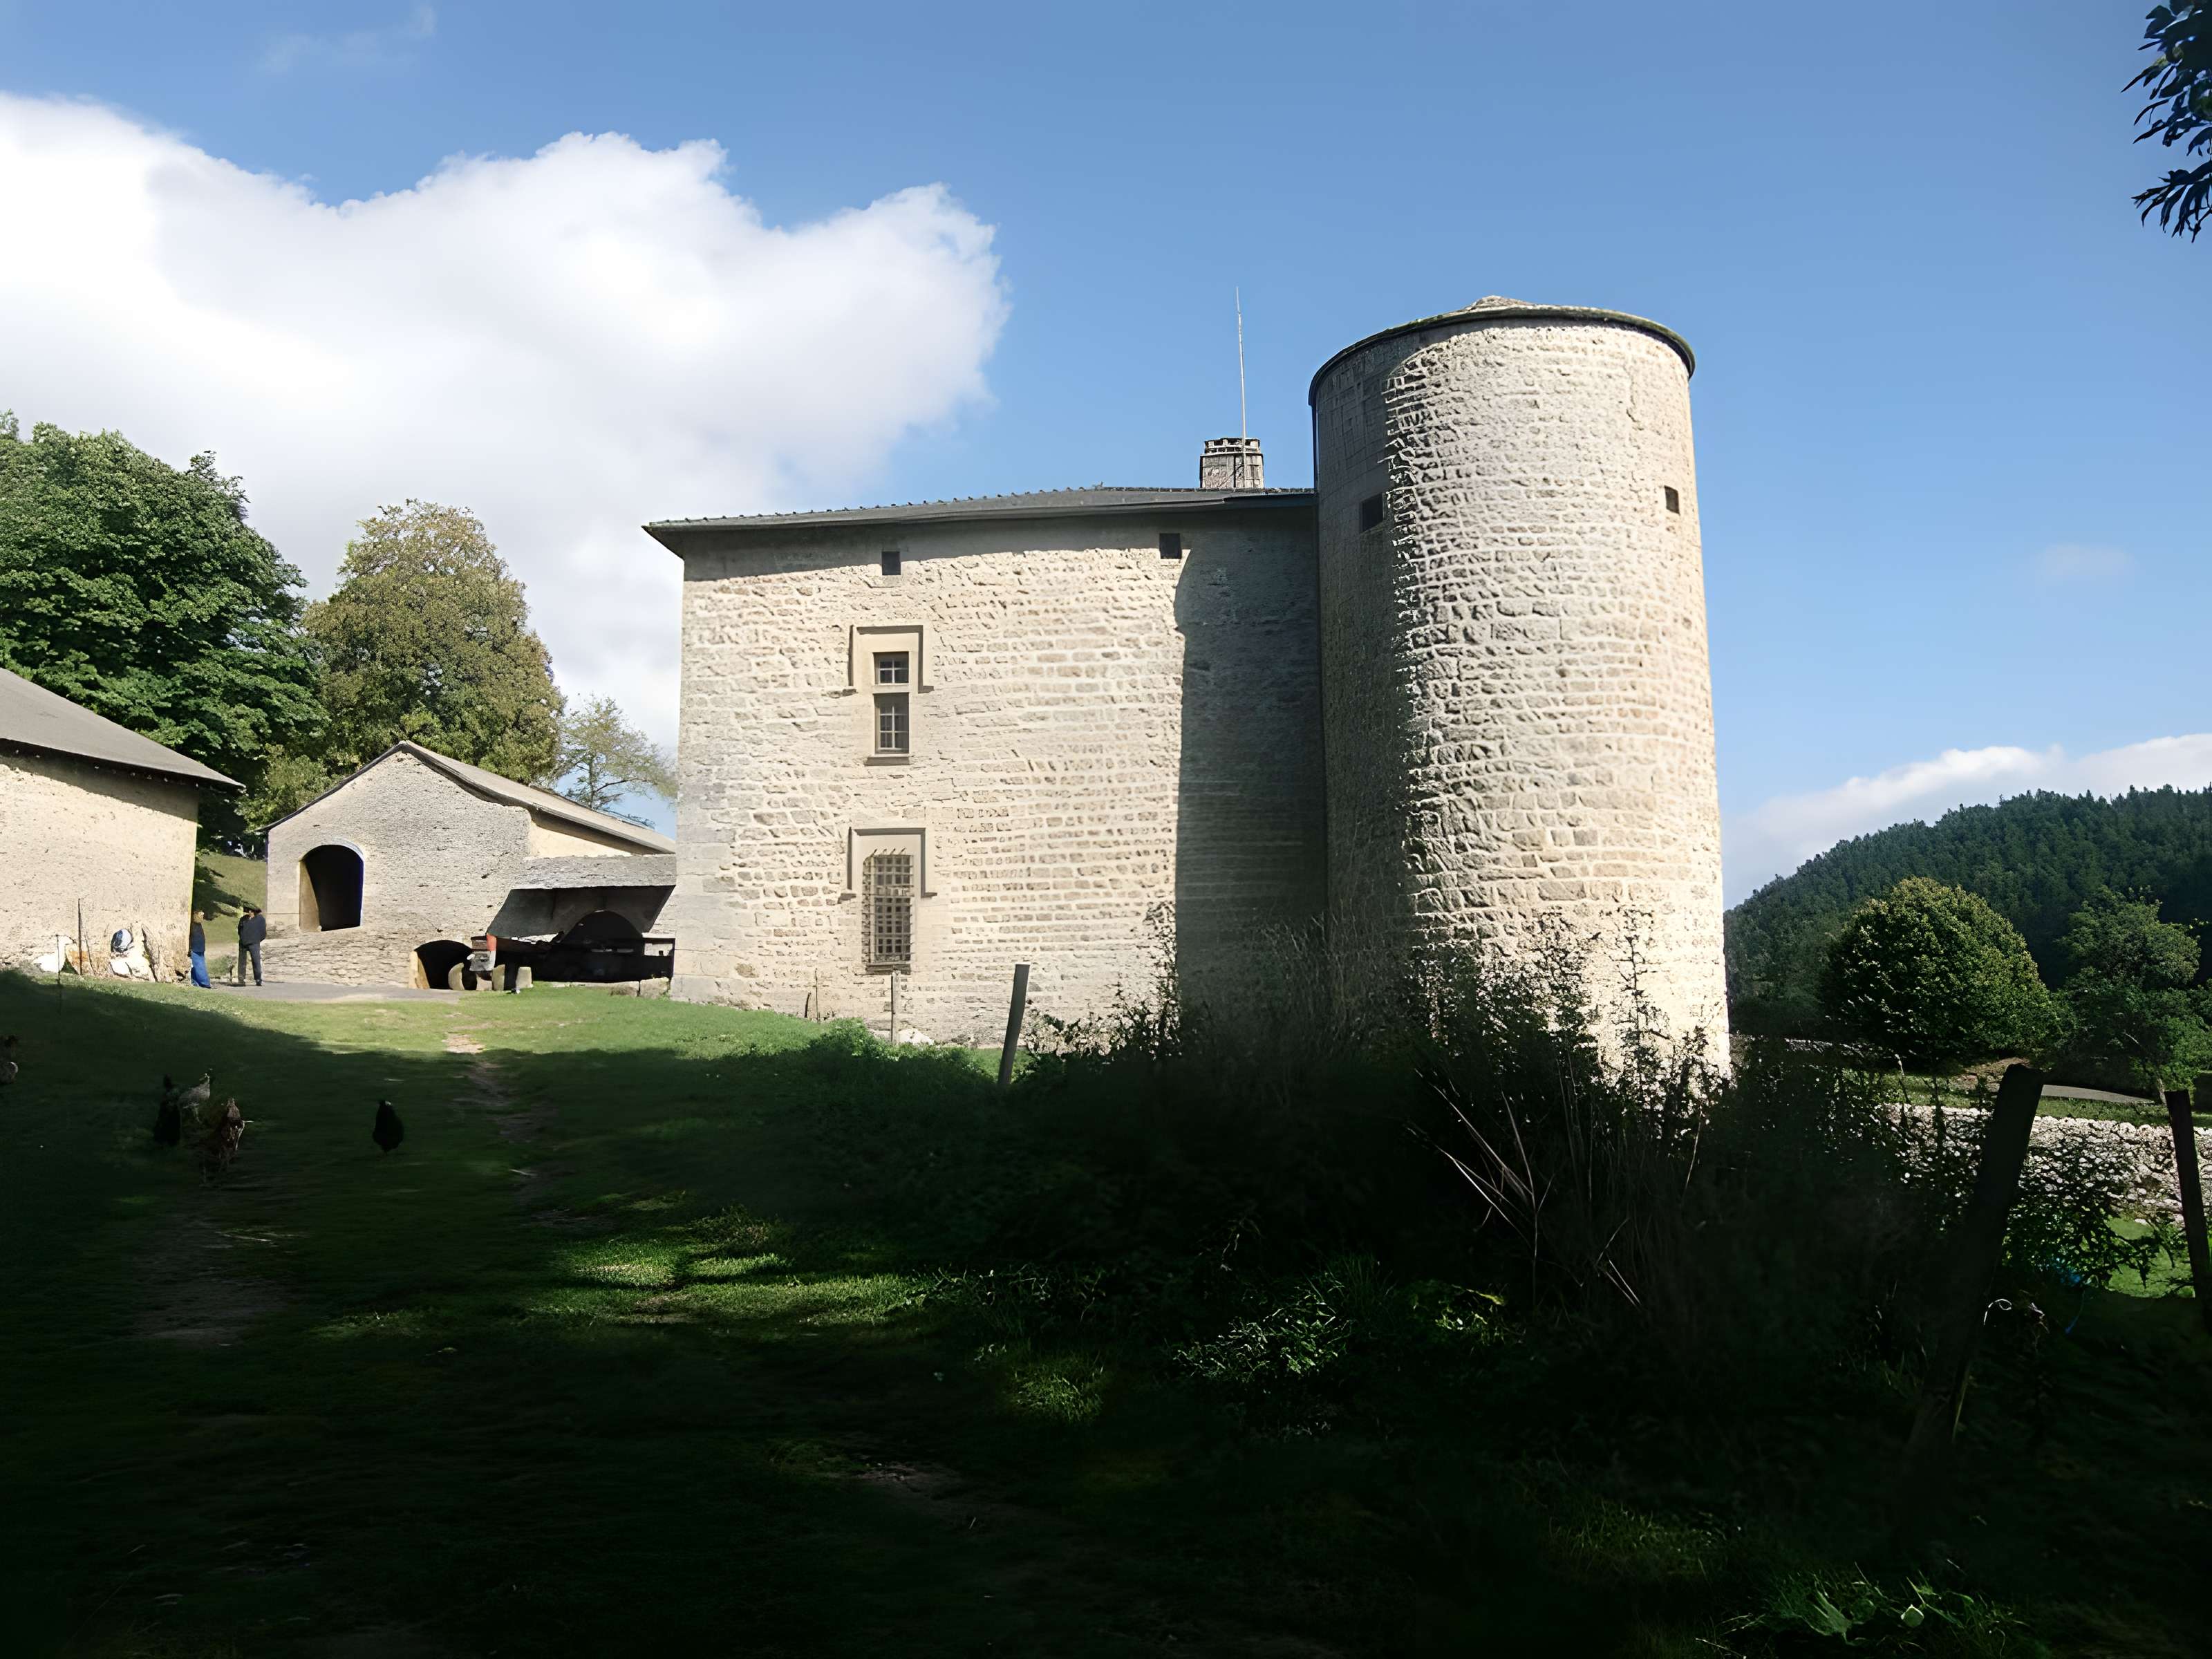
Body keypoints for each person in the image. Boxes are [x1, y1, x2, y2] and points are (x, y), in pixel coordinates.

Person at [236, 905, 266, 987]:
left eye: (251, 911)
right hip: (243, 943)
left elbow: (263, 933)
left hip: (254, 943)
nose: (249, 912)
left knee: (256, 962)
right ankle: (241, 979)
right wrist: (242, 938)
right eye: (248, 910)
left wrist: (257, 940)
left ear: (255, 912)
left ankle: (258, 979)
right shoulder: (243, 919)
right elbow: (239, 930)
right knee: (242, 962)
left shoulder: (260, 919)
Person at [187, 910, 210, 988]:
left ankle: (205, 983)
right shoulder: (198, 926)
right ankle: (196, 982)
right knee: (194, 967)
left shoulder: (194, 926)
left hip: (196, 948)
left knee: (199, 966)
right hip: (198, 948)